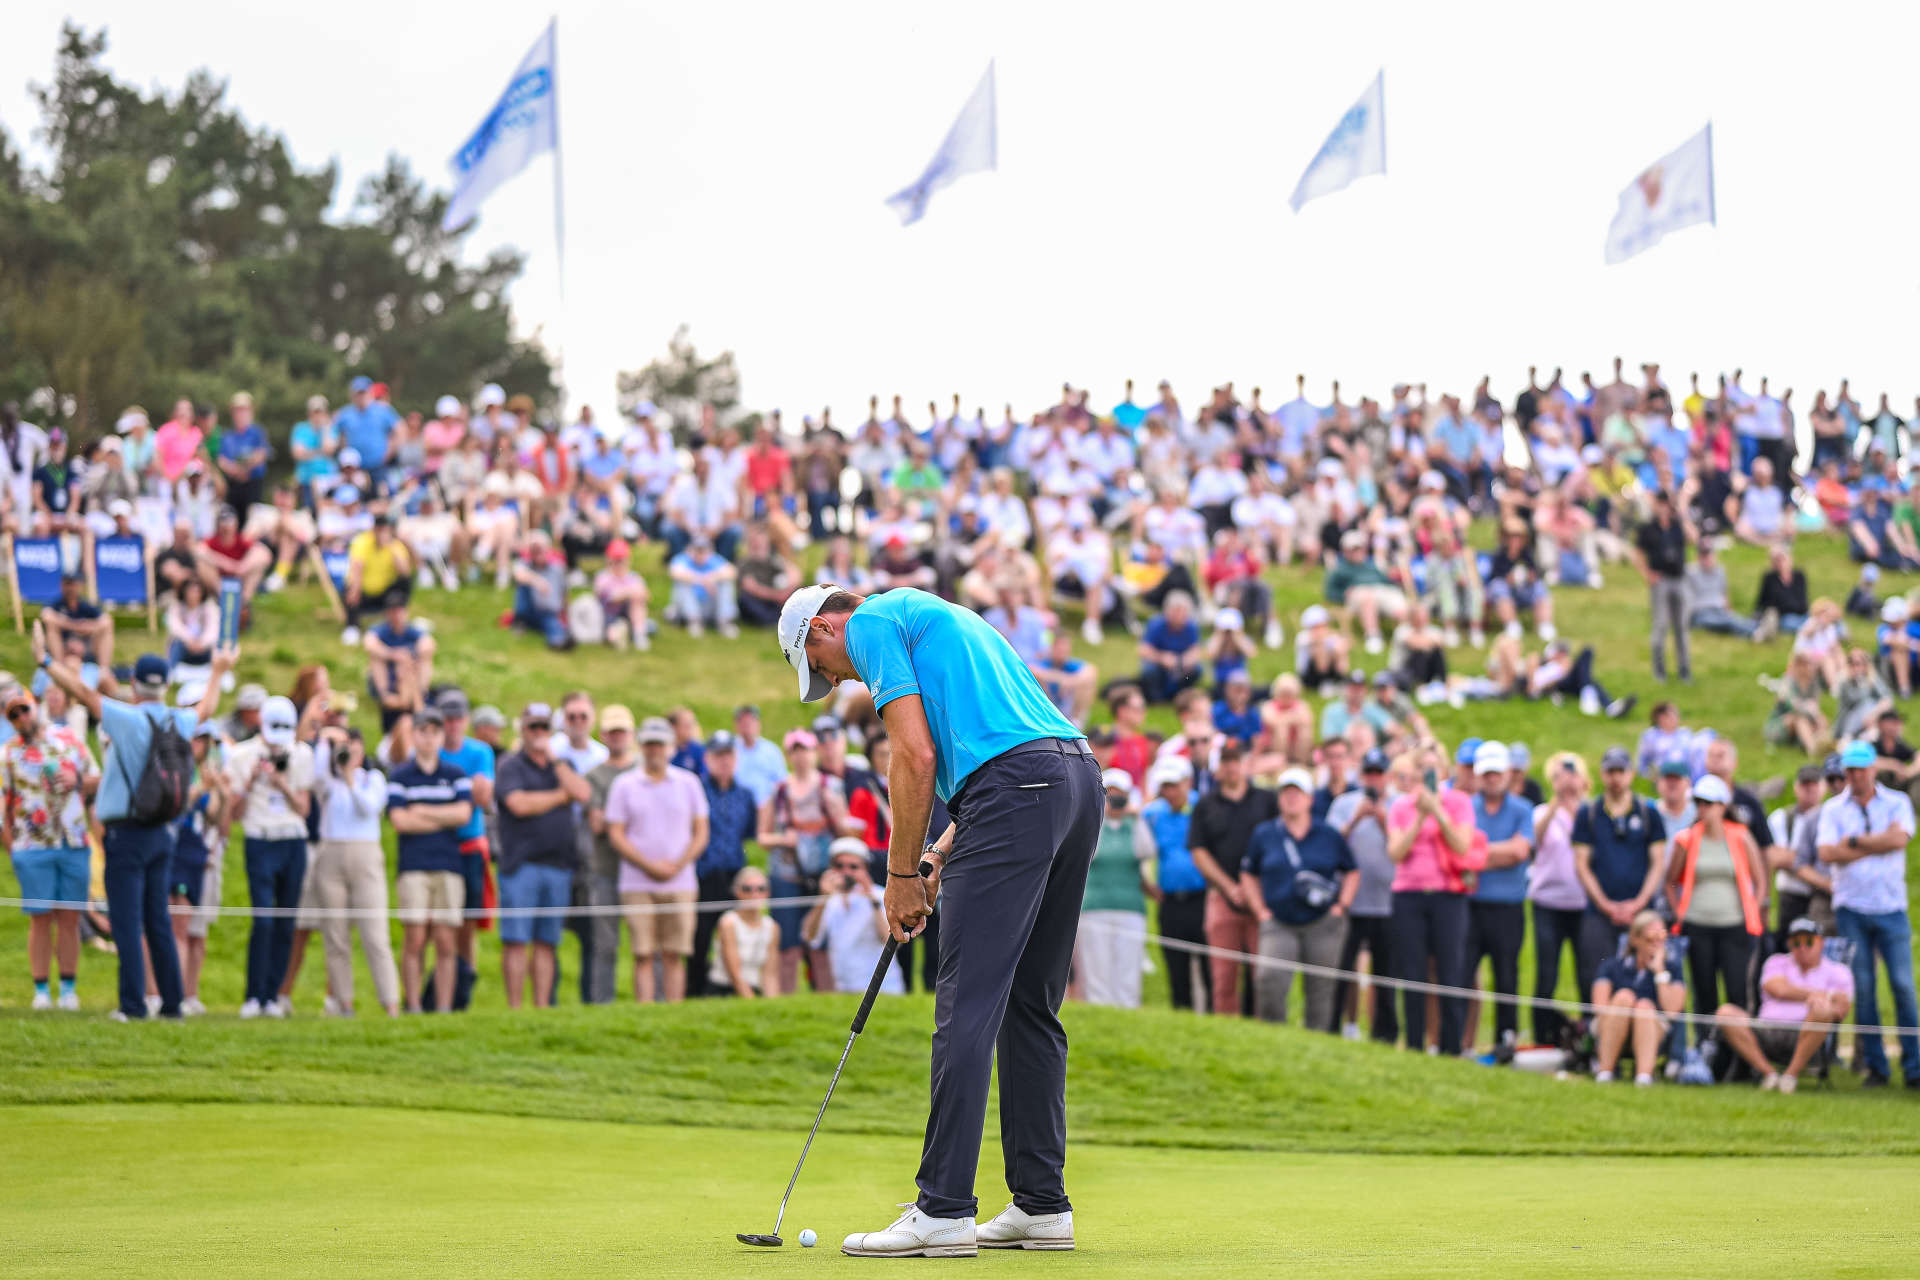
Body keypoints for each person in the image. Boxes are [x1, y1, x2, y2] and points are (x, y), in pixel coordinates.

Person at [780, 583, 1098, 1258]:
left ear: (823, 630)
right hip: (1074, 783)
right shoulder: (937, 616)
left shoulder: (869, 625)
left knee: (967, 1004)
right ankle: (1042, 1206)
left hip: (1019, 788)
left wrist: (898, 878)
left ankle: (944, 1209)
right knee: (1030, 1005)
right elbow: (1015, 750)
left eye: (826, 670)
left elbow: (916, 756)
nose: (840, 680)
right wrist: (935, 854)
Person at [44, 644, 231, 1020]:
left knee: (128, 922)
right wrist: (218, 670)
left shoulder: (125, 718)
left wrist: (46, 662)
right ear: (165, 686)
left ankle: (133, 1005)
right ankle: (172, 1004)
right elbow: (208, 707)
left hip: (127, 832)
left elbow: (82, 692)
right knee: (158, 921)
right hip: (163, 831)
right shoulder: (178, 720)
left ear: (134, 685)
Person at [1815, 739, 1920, 1088]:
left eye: (1861, 769)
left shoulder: (1897, 802)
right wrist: (1876, 842)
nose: (1855, 776)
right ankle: (1876, 1067)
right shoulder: (1833, 809)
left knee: (1903, 987)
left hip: (1891, 908)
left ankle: (1914, 1066)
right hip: (1851, 908)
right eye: (1850, 771)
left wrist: (1855, 843)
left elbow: (1899, 841)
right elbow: (1828, 853)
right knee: (1863, 987)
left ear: (1874, 769)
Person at [2, 687, 99, 1010]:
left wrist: (77, 782)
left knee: (70, 917)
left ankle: (68, 990)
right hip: (32, 845)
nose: (21, 718)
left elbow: (97, 778)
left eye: (24, 710)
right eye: (13, 714)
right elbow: (3, 804)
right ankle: (41, 991)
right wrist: (12, 848)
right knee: (40, 918)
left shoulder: (69, 739)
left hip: (73, 840)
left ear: (36, 707)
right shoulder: (7, 753)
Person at [1241, 768, 1357, 1031]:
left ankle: (1315, 1043)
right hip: (1278, 921)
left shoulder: (1328, 833)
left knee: (1321, 988)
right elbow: (1248, 874)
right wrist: (1259, 910)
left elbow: (1351, 870)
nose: (1291, 798)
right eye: (1286, 793)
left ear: (1309, 799)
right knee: (1269, 979)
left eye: (1297, 793)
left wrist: (1342, 906)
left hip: (1322, 922)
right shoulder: (1265, 834)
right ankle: (1275, 1037)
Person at [493, 702, 590, 1010]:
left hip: (558, 865)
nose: (538, 733)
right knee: (517, 941)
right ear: (522, 730)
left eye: (543, 728)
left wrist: (555, 762)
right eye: (532, 727)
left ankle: (541, 1007)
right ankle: (515, 1008)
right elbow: (518, 804)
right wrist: (560, 797)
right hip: (520, 865)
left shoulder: (563, 765)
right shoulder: (510, 766)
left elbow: (583, 794)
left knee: (547, 942)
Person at [1386, 748, 1482, 1054]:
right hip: (1409, 895)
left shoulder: (1459, 802)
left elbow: (1462, 844)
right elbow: (1396, 853)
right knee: (1413, 971)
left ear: (1443, 771)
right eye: (1422, 769)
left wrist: (1438, 813)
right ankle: (1414, 1043)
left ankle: (1451, 1046)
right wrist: (1419, 817)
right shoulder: (1401, 806)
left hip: (1447, 896)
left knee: (1450, 969)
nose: (1427, 774)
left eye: (1432, 768)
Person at [606, 717, 708, 1004]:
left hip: (681, 881)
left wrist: (677, 865)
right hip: (637, 882)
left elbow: (701, 832)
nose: (654, 750)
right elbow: (616, 834)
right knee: (643, 953)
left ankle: (673, 1010)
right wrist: (649, 866)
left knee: (675, 953)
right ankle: (645, 1010)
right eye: (649, 744)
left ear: (671, 748)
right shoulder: (624, 784)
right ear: (641, 747)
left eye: (659, 744)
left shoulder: (688, 783)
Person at [226, 695, 313, 1018]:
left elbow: (304, 808)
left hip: (292, 841)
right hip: (259, 840)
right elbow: (234, 814)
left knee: (285, 922)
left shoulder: (301, 754)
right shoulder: (242, 754)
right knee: (262, 921)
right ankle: (254, 995)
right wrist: (249, 781)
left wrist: (281, 783)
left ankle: (274, 996)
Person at [386, 704, 472, 1013]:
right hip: (413, 865)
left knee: (447, 941)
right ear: (414, 735)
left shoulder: (456, 774)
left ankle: (444, 1007)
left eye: (435, 732)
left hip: (448, 864)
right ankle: (413, 1005)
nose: (429, 738)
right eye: (423, 732)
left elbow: (463, 814)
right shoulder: (401, 775)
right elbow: (400, 821)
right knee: (415, 937)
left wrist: (420, 811)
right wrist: (441, 817)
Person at [310, 723, 399, 1016]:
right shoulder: (327, 781)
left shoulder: (372, 779)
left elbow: (368, 808)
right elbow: (318, 770)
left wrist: (350, 778)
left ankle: (391, 1004)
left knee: (375, 935)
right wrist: (326, 739)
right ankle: (344, 1002)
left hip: (365, 853)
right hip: (331, 853)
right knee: (335, 935)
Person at [759, 728, 856, 992]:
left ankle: (824, 999)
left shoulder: (831, 787)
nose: (801, 757)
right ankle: (787, 1000)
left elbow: (847, 833)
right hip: (786, 874)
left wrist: (836, 816)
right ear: (789, 755)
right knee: (787, 945)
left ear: (814, 753)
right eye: (795, 751)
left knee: (821, 946)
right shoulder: (778, 791)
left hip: (823, 874)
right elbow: (762, 837)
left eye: (806, 750)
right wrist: (783, 840)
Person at [1666, 774, 1767, 1022]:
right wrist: (1678, 911)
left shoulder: (1741, 835)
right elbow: (1669, 881)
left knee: (1737, 990)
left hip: (1734, 925)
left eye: (1708, 803)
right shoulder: (1687, 838)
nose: (1703, 809)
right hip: (1698, 924)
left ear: (1722, 806)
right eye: (1699, 803)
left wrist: (1753, 908)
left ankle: (1737, 1052)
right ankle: (1706, 1048)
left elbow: (1760, 878)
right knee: (1704, 993)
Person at [1571, 746, 1670, 999]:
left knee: (1646, 975)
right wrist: (1605, 905)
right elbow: (1582, 864)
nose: (1616, 778)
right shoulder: (1589, 814)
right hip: (1599, 912)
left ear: (1631, 773)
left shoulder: (1649, 813)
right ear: (1602, 774)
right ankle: (1595, 1032)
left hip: (1642, 913)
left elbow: (1657, 863)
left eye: (1621, 771)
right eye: (1610, 772)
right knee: (1595, 974)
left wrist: (1638, 903)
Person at [1714, 918, 1855, 1093]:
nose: (1802, 948)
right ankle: (1769, 1074)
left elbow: (1841, 1009)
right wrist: (1821, 994)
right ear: (1789, 944)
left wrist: (1822, 1005)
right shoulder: (1776, 961)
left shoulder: (1838, 971)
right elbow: (1778, 989)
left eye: (1809, 941)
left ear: (1821, 943)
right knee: (1726, 1012)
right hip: (1766, 1032)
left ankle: (1790, 1076)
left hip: (1807, 1036)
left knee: (1822, 1010)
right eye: (1796, 942)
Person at [1187, 743, 1276, 1018]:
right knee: (1223, 974)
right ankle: (1227, 1029)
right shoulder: (1206, 804)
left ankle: (1265, 1031)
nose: (1231, 767)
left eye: (1236, 760)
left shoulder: (1267, 800)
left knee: (1264, 974)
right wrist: (1228, 887)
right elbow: (1198, 850)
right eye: (1225, 761)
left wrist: (1253, 890)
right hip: (1222, 897)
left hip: (1262, 897)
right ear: (1218, 767)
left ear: (1246, 764)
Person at [1463, 742, 1534, 1052]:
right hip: (1471, 904)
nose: (1492, 779)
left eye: (1497, 773)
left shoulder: (1522, 809)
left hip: (1508, 906)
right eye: (1486, 774)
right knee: (1462, 973)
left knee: (1507, 975)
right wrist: (1496, 853)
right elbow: (1459, 853)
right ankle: (1461, 1041)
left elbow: (1520, 851)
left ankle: (1505, 1041)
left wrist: (1478, 853)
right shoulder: (1466, 807)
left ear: (1507, 774)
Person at [1072, 767, 1156, 1009]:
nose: (1116, 801)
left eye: (1121, 796)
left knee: (1128, 969)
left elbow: (1146, 851)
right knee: (1097, 969)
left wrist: (1136, 817)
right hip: (1095, 906)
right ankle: (1101, 1011)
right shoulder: (1092, 824)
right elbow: (1090, 853)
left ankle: (1128, 1012)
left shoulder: (1134, 826)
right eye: (1111, 795)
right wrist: (1101, 813)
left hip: (1130, 907)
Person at [436, 690, 496, 1011]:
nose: (453, 724)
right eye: (447, 718)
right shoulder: (433, 752)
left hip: (470, 844)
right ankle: (440, 989)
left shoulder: (480, 751)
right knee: (440, 926)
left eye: (458, 717)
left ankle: (464, 990)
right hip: (438, 846)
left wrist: (448, 798)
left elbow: (483, 798)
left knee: (467, 925)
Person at [1528, 751, 1591, 1046]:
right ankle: (1542, 1037)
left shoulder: (1591, 812)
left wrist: (1577, 802)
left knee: (1587, 973)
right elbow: (1535, 838)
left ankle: (1590, 1038)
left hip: (1583, 905)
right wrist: (1557, 801)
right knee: (1546, 974)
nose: (1568, 783)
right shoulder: (1542, 812)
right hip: (1548, 904)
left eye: (1573, 776)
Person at [689, 730, 758, 997]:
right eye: (718, 756)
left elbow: (748, 832)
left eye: (728, 755)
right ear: (707, 759)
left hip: (733, 874)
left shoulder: (745, 795)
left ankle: (732, 988)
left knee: (734, 936)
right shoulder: (696, 790)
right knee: (700, 938)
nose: (724, 761)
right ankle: (694, 990)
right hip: (703, 875)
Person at [1590, 910, 1687, 1085]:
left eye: (1662, 936)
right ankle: (1605, 1073)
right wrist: (1626, 1010)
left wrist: (1659, 973)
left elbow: (1673, 1011)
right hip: (1613, 1026)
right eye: (1651, 936)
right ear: (1635, 939)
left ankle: (1643, 1077)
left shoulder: (1672, 970)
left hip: (1653, 1032)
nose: (1657, 942)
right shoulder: (1613, 967)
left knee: (1644, 1006)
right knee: (1624, 997)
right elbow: (1600, 1008)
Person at [583, 705, 639, 1004]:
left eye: (623, 731)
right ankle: (603, 1004)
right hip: (606, 869)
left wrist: (615, 818)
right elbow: (597, 824)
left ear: (632, 735)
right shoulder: (594, 776)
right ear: (604, 735)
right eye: (613, 732)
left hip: (644, 873)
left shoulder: (644, 770)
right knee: (605, 945)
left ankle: (652, 1003)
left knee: (646, 944)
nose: (618, 737)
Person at [1142, 756, 1207, 1011]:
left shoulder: (1202, 807)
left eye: (1175, 785)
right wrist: (1147, 885)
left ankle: (1211, 1016)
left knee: (1208, 965)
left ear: (1187, 782)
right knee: (1175, 965)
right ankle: (1182, 1012)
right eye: (1166, 785)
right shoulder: (1153, 814)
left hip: (1201, 897)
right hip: (1169, 900)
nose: (1170, 791)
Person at [802, 838, 904, 998]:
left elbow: (891, 941)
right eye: (839, 866)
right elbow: (809, 937)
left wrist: (873, 901)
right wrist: (822, 898)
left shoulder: (881, 895)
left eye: (853, 867)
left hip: (885, 989)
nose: (846, 872)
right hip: (843, 990)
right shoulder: (829, 900)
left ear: (865, 868)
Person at [1633, 490, 1692, 683]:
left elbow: (1693, 538)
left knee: (1681, 627)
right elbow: (1638, 553)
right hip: (1661, 580)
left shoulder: (1677, 526)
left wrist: (1682, 515)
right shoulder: (1648, 529)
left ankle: (1684, 670)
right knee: (1660, 625)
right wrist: (1647, 574)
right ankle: (1659, 671)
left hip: (1679, 578)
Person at [341, 514, 415, 644]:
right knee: (350, 588)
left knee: (405, 582)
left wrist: (391, 547)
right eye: (378, 529)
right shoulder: (362, 541)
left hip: (385, 593)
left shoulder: (396, 546)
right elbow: (357, 566)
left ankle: (398, 617)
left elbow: (405, 571)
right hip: (363, 591)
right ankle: (352, 626)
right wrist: (355, 589)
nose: (381, 533)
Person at [709, 866, 781, 997]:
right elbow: (734, 974)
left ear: (767, 893)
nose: (755, 894)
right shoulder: (728, 922)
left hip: (754, 989)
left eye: (761, 889)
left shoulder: (772, 927)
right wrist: (753, 1006)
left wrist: (773, 1006)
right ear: (738, 892)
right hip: (724, 990)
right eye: (747, 889)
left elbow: (770, 974)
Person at [1136, 591, 1203, 703]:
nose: (1179, 615)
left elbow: (1195, 650)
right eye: (1176, 611)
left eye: (1183, 612)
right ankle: (1157, 700)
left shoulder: (1191, 626)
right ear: (1168, 611)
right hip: (1159, 666)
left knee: (1196, 670)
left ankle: (1180, 696)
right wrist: (1162, 658)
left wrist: (1186, 660)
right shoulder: (1156, 624)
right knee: (1150, 671)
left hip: (1180, 666)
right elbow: (1143, 650)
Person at [41, 574, 115, 674]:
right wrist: (76, 626)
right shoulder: (56, 604)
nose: (70, 588)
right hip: (63, 646)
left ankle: (104, 670)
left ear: (79, 586)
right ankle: (59, 668)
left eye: (73, 585)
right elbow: (46, 616)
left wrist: (88, 627)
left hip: (85, 646)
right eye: (67, 584)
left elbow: (107, 620)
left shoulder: (85, 605)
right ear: (61, 586)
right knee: (51, 628)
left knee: (106, 628)